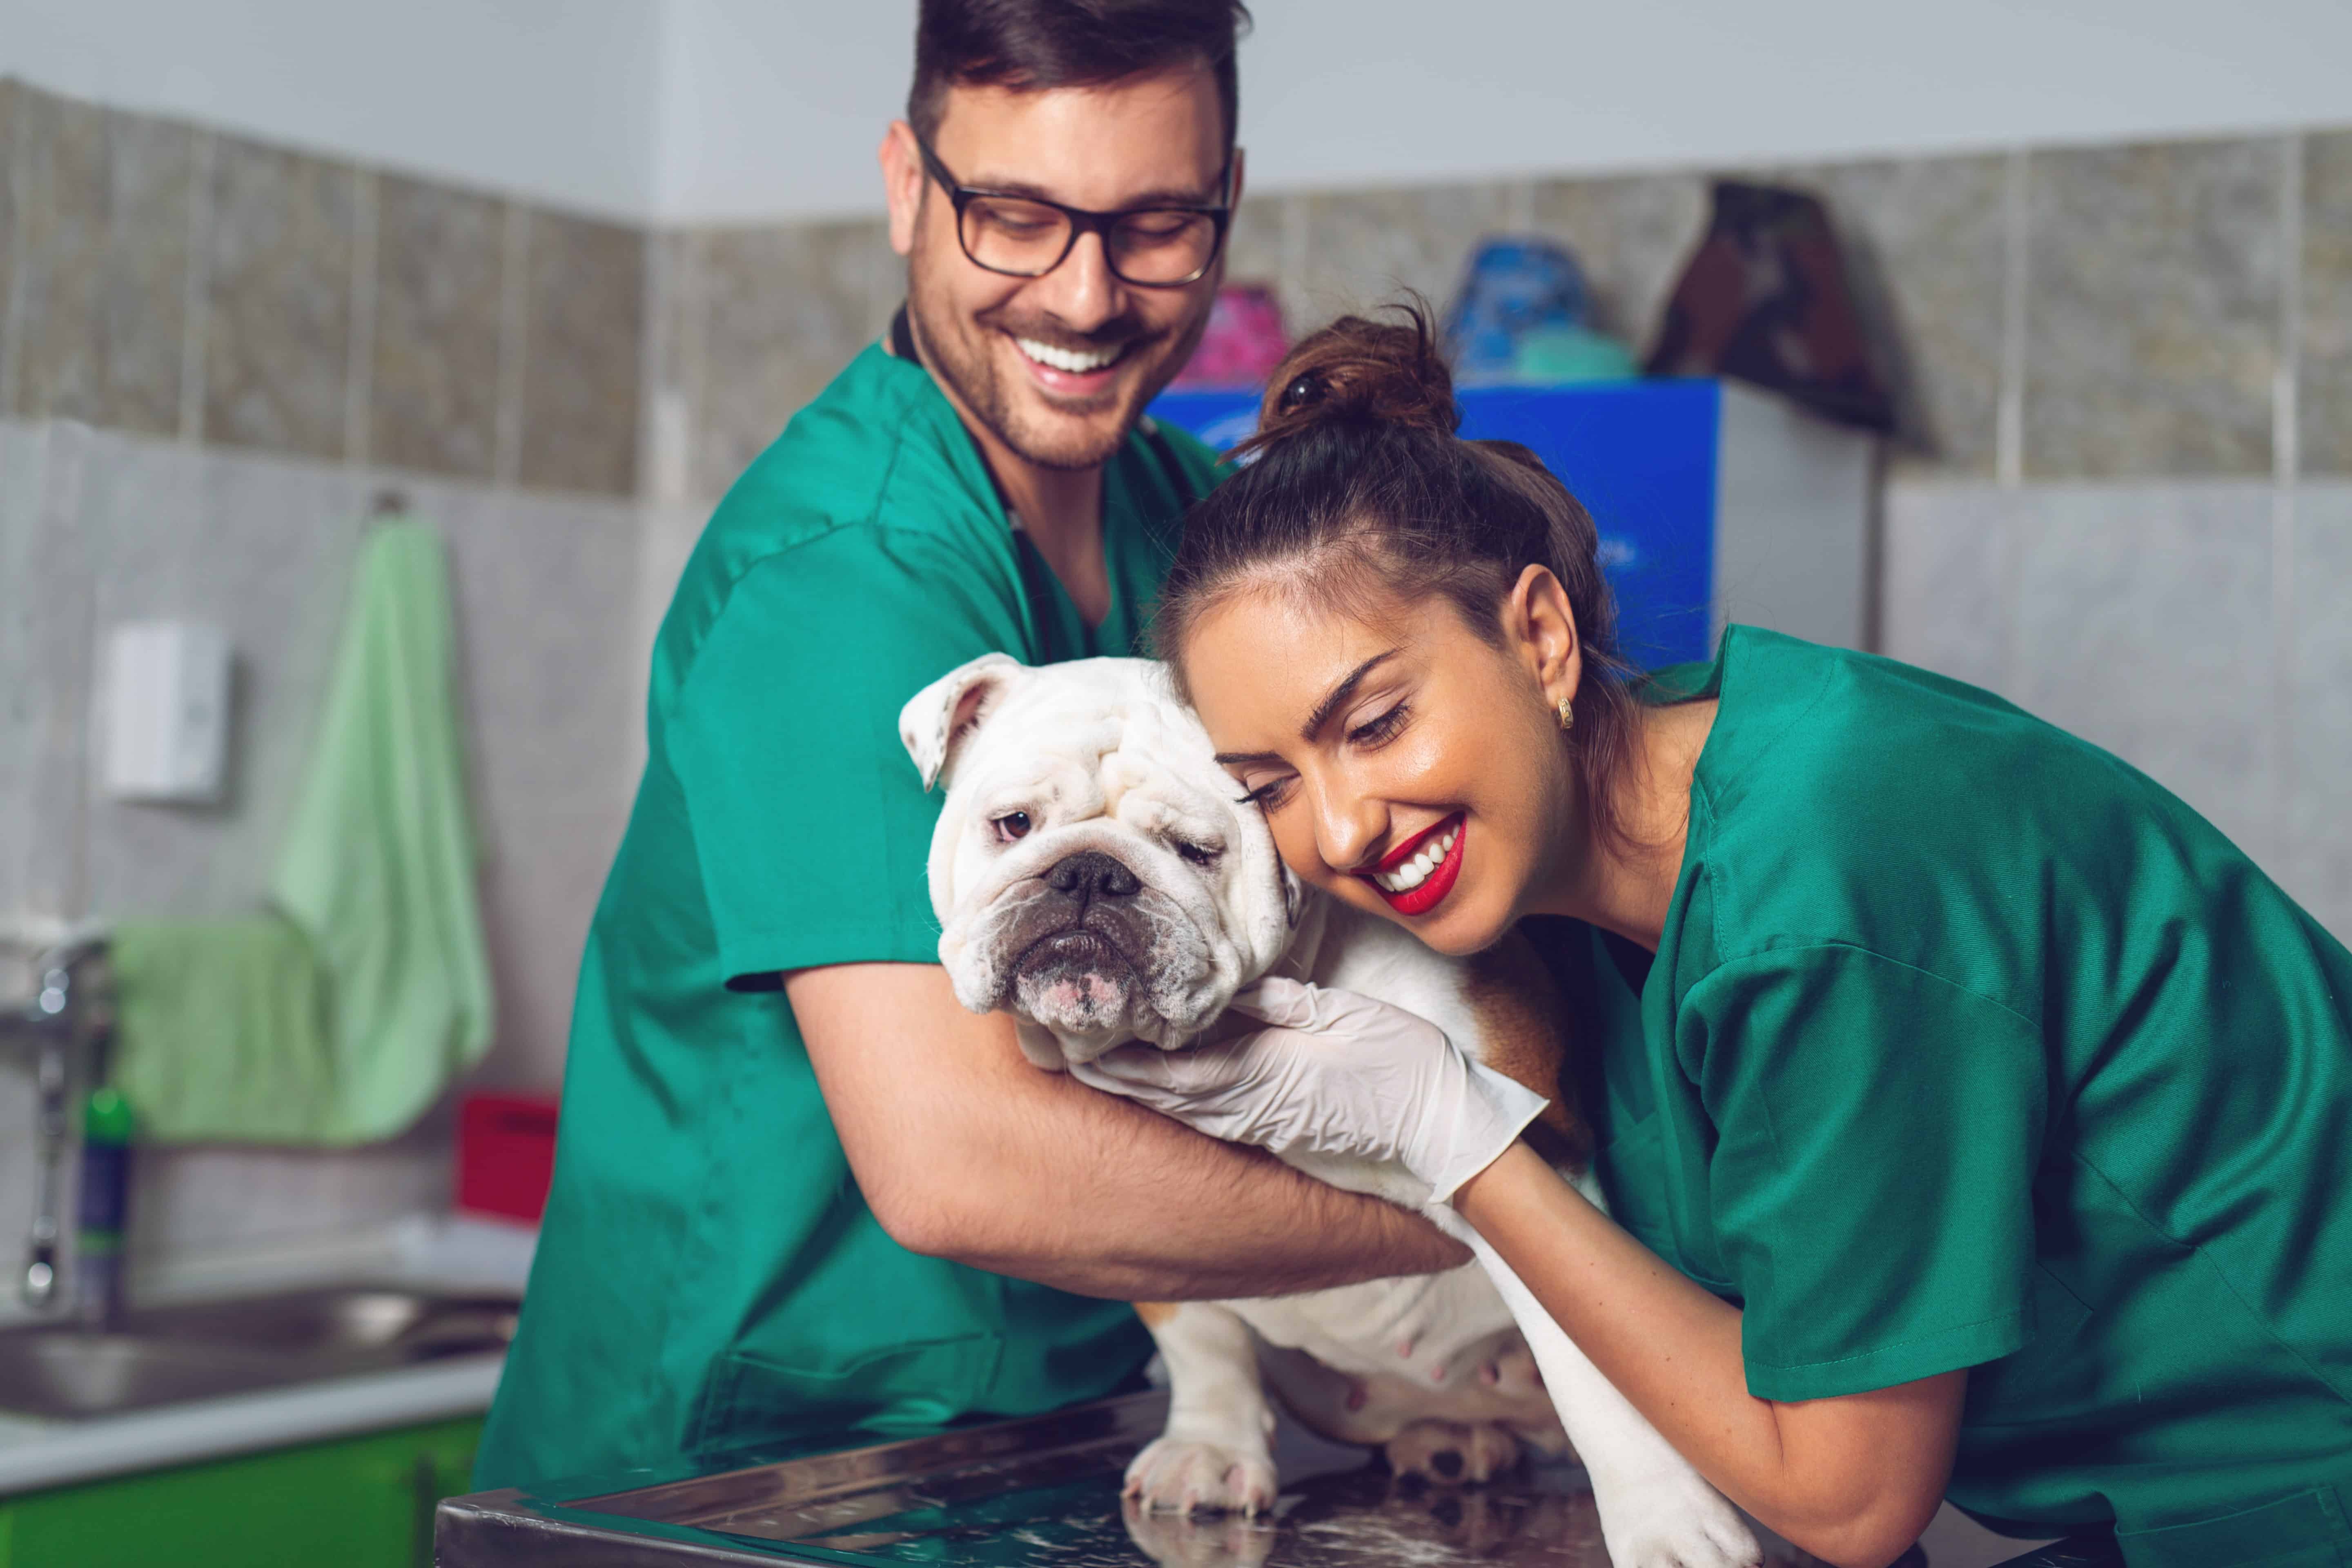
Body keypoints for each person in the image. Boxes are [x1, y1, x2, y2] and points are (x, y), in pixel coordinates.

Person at [1076, 307, 2352, 1568]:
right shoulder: (1590, 863)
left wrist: (1453, 1137)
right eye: (1268, 787)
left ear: (1540, 636)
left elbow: (1851, 1503)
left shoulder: (1820, 888)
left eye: (1375, 723)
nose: (1344, 827)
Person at [474, 3, 1467, 1490]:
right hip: (756, 1466)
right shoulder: (843, 578)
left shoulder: (1195, 527)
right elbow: (960, 1163)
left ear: (1227, 208)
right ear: (904, 186)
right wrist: (1479, 1219)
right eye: (1013, 217)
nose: (1084, 295)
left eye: (1153, 227)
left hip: (1073, 1423)